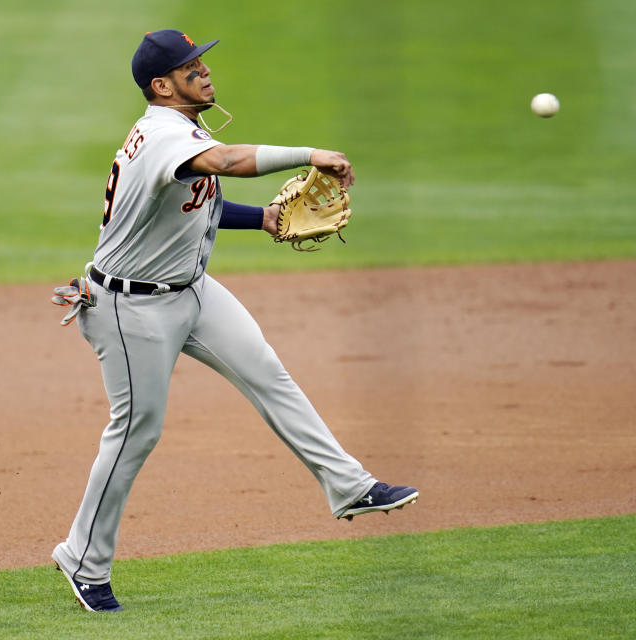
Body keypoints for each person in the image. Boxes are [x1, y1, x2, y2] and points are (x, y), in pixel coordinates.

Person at [51, 29, 418, 613]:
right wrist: (309, 154)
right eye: (188, 66)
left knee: (267, 373)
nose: (203, 70)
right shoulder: (162, 135)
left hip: (192, 291)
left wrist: (266, 219)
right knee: (135, 433)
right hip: (130, 308)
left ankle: (350, 487)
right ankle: (82, 557)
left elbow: (201, 201)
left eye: (201, 60)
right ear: (161, 85)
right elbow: (226, 162)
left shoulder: (183, 132)